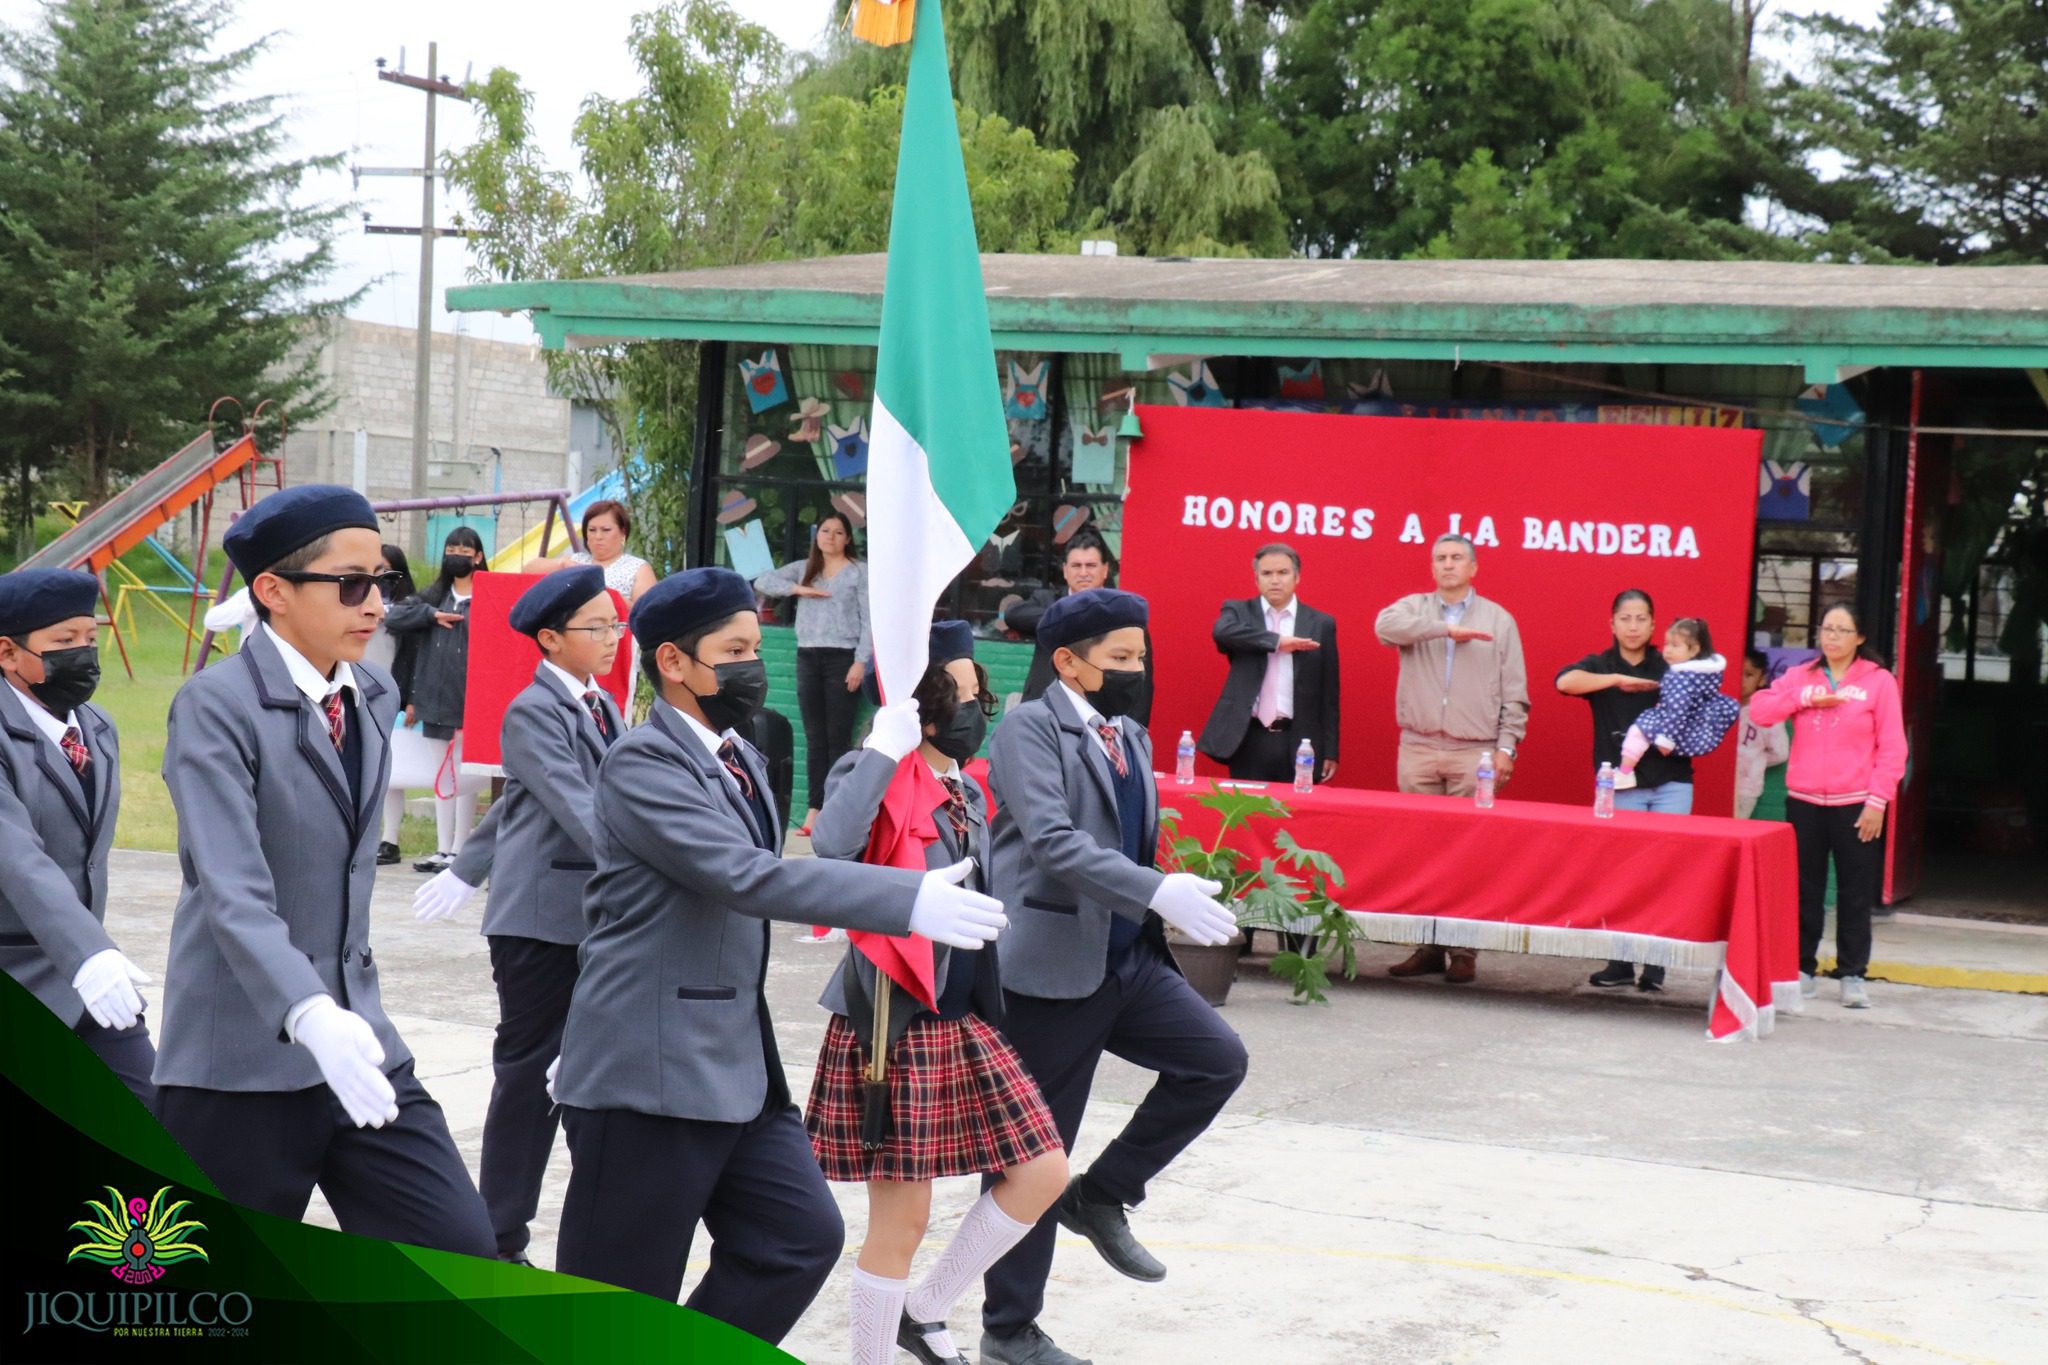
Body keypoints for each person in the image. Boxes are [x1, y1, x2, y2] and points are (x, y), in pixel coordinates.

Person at [548, 567, 1008, 1343]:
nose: (753, 666)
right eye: (733, 649)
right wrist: (905, 898)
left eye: (756, 645)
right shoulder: (643, 764)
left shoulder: (741, 754)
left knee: (796, 1236)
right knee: (619, 1296)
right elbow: (745, 876)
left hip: (735, 1063)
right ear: (672, 662)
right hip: (647, 1065)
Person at [151, 484, 494, 1256]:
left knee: (461, 1250)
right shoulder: (216, 707)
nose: (374, 601)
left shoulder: (372, 689)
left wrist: (342, 1019)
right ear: (271, 591)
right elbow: (233, 891)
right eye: (349, 583)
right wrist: (307, 1012)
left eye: (382, 581)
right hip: (240, 1059)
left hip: (360, 1042)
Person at [980, 587, 1246, 1365]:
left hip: (1129, 957)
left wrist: (1159, 892)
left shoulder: (1126, 730)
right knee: (1034, 1153)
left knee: (1216, 1060)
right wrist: (1155, 887)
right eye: (1119, 658)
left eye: (1141, 656)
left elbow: (1126, 836)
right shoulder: (1028, 729)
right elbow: (1056, 844)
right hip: (1053, 966)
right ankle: (1008, 1329)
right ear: (1067, 660)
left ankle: (1102, 1194)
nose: (1135, 670)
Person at [807, 621, 1067, 1365]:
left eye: (977, 690)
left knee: (1044, 1168)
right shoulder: (874, 768)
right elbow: (831, 849)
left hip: (963, 1013)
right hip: (893, 1013)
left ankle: (925, 1309)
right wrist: (884, 749)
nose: (973, 704)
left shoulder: (964, 787)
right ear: (918, 702)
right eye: (955, 690)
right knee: (904, 1217)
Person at [410, 565, 625, 1265]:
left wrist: (469, 867)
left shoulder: (601, 704)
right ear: (551, 638)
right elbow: (577, 806)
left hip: (582, 916)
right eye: (597, 627)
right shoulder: (535, 710)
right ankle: (497, 1237)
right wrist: (662, 864)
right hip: (541, 922)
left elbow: (520, 803)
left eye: (615, 622)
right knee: (529, 1079)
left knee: (580, 1076)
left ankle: (518, 1231)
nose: (612, 637)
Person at [0, 568, 156, 1106]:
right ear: (7, 653)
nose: (84, 655)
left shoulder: (96, 727)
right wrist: (90, 954)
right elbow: (17, 857)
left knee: (151, 1119)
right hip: (18, 973)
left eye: (90, 639)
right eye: (63, 642)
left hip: (88, 978)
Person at [1373, 533, 1528, 985]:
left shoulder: (1499, 620)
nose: (1447, 565)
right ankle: (1427, 946)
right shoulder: (1413, 609)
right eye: (1440, 558)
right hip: (1418, 745)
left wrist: (1506, 747)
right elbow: (1384, 628)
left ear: (1474, 567)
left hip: (1472, 750)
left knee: (1467, 852)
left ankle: (1463, 949)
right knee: (1419, 850)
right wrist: (1444, 630)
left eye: (1457, 558)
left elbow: (1515, 692)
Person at [1747, 603, 1906, 1009]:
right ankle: (1802, 969)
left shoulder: (1879, 682)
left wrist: (1877, 802)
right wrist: (1802, 699)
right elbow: (1762, 710)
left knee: (1854, 891)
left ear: (1860, 637)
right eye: (1826, 629)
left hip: (1856, 803)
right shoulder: (1802, 677)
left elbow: (1892, 748)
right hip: (1803, 802)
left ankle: (1852, 974)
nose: (1831, 637)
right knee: (1805, 889)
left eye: (1841, 630)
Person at [1555, 589, 1691, 990]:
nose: (1633, 626)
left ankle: (1656, 964)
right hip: (1621, 784)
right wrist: (1615, 681)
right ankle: (1620, 962)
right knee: (1624, 873)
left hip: (1671, 782)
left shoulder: (1670, 664)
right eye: (1625, 618)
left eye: (1642, 619)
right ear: (1612, 623)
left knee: (1665, 872)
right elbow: (1564, 682)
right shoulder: (1601, 664)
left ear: (1653, 624)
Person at [752, 510, 873, 832]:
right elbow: (764, 581)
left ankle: (836, 809)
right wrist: (800, 590)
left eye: (837, 532)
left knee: (839, 738)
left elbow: (870, 620)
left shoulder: (859, 572)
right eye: (824, 531)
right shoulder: (806, 569)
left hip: (843, 658)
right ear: (816, 537)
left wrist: (860, 661)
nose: (829, 537)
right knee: (814, 738)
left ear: (847, 538)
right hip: (808, 655)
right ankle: (814, 810)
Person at [384, 527, 488, 872]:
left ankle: (461, 848)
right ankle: (443, 849)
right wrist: (430, 616)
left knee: (465, 775)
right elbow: (394, 617)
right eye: (451, 547)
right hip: (434, 698)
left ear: (478, 556)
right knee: (442, 775)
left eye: (464, 548)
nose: (456, 553)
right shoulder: (435, 595)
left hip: (472, 701)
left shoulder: (487, 598)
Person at [1198, 542, 1340, 783]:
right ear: (1256, 579)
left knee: (1293, 816)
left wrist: (1330, 749)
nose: (1275, 580)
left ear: (1297, 577)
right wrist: (1277, 642)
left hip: (1299, 739)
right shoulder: (1239, 611)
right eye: (1267, 573)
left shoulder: (1320, 623)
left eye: (1283, 573)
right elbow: (1222, 632)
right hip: (1248, 737)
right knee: (1247, 814)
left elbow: (1329, 694)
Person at [1008, 530, 1154, 725]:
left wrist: (1135, 734)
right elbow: (1013, 615)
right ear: (1065, 570)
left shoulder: (1122, 617)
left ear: (1105, 570)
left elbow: (1142, 689)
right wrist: (1071, 617)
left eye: (1091, 565)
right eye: (1076, 566)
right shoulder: (1047, 601)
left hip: (1101, 720)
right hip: (1044, 711)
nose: (1083, 573)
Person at [1615, 617, 1739, 787]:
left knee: (1637, 731)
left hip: (1675, 728)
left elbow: (1677, 710)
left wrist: (1666, 738)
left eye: (1675, 646)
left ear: (1694, 650)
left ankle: (1625, 772)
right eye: (1666, 644)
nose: (1668, 650)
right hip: (1695, 724)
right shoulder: (1705, 674)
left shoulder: (1680, 678)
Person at [366, 544, 418, 866]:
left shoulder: (409, 608)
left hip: (391, 692)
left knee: (392, 770)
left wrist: (410, 698)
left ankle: (390, 839)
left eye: (386, 570)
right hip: (360, 689)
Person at [528, 498, 657, 605]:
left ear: (622, 532)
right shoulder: (577, 561)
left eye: (606, 530)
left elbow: (644, 613)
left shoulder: (638, 568)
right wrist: (562, 565)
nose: (598, 536)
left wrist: (602, 593)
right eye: (592, 530)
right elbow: (528, 570)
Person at [1735, 649, 1791, 820]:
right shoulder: (1722, 707)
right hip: (1717, 782)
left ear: (1762, 679)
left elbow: (1780, 753)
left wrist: (1754, 761)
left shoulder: (1766, 710)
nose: (1741, 679)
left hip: (1746, 788)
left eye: (1749, 675)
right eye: (1737, 672)